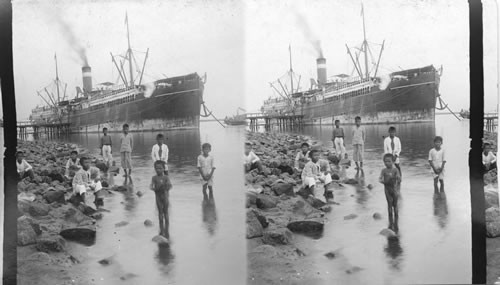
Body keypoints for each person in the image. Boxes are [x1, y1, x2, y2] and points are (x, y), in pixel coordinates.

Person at [150, 160, 172, 238]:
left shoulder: (166, 177)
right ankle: (161, 229)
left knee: (166, 212)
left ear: (163, 169)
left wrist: (166, 187)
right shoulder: (154, 178)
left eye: (160, 168)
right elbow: (151, 186)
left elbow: (170, 186)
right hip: (158, 197)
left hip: (165, 197)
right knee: (160, 212)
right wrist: (155, 188)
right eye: (156, 168)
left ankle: (166, 229)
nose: (158, 170)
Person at [379, 153, 401, 232]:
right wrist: (383, 181)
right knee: (389, 204)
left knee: (395, 205)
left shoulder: (395, 170)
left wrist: (398, 178)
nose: (387, 163)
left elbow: (399, 178)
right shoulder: (383, 170)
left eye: (389, 161)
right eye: (385, 161)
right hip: (387, 189)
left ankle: (396, 222)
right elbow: (380, 178)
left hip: (394, 189)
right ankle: (390, 221)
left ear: (393, 161)